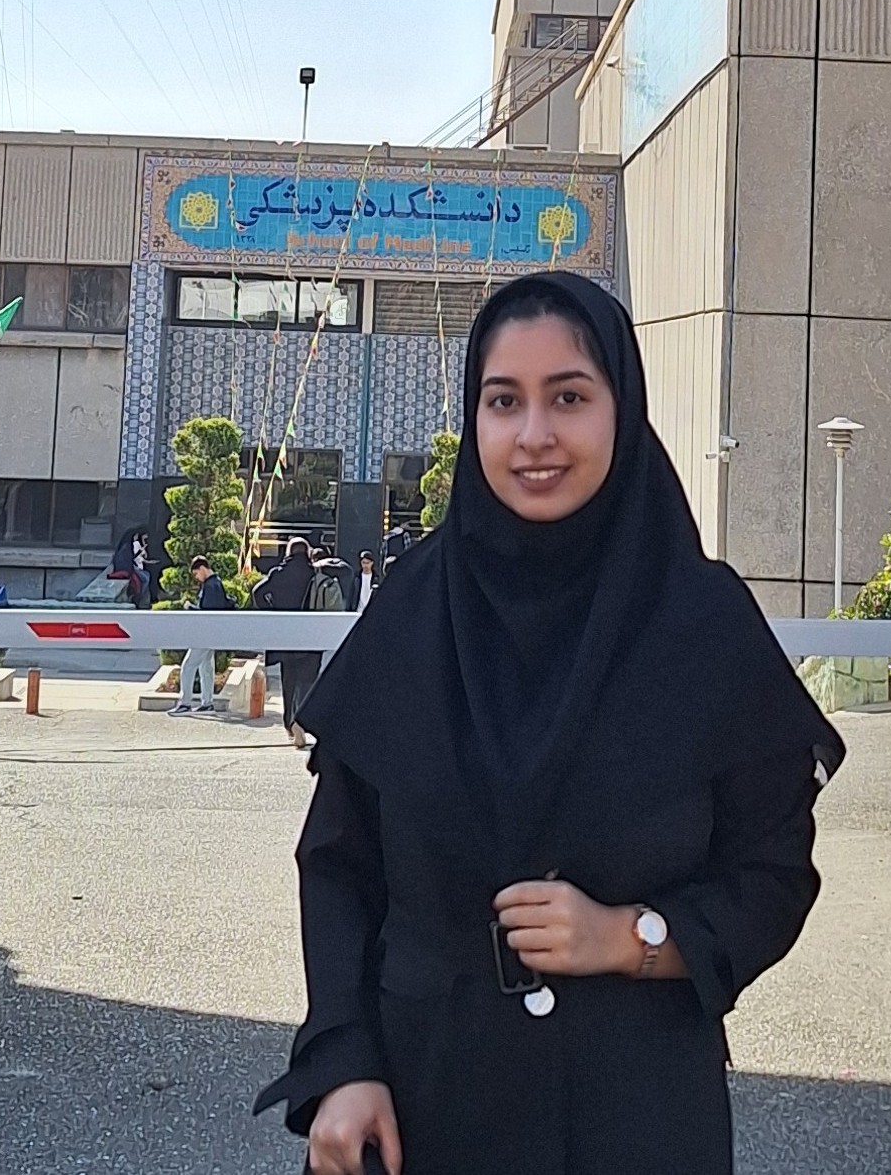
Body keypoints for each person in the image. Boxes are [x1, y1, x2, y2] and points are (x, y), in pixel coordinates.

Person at [255, 272, 845, 1175]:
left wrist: (633, 937)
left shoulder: (701, 624)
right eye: (504, 401)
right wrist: (342, 1062)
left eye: (568, 396)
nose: (534, 434)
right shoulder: (416, 613)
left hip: (635, 1116)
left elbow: (771, 874)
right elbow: (339, 865)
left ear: (622, 408)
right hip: (419, 1108)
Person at [254, 536, 323, 746]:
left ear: (289, 552)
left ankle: (289, 722)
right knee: (307, 681)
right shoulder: (314, 573)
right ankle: (301, 720)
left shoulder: (278, 573)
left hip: (286, 635)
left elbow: (258, 592)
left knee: (289, 682)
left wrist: (273, 611)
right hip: (310, 635)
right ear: (307, 552)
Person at [172, 556, 226, 716]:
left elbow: (207, 613)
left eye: (196, 574)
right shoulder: (216, 583)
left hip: (204, 633)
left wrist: (190, 607)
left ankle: (185, 703)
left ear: (202, 569)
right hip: (213, 633)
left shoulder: (210, 586)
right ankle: (207, 703)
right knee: (206, 667)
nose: (196, 578)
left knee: (188, 666)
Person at [109, 525, 152, 610]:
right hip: (127, 570)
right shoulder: (128, 547)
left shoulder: (128, 545)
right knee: (145, 578)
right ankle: (141, 602)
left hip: (128, 568)